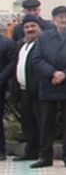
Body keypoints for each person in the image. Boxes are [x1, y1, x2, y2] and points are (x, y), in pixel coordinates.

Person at [31, 5, 66, 168]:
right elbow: (37, 59)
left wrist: (65, 74)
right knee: (46, 123)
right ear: (54, 19)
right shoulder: (44, 37)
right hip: (49, 85)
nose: (64, 20)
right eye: (60, 17)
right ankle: (45, 156)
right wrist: (53, 73)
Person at [13, 16, 45, 161]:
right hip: (23, 90)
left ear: (39, 28)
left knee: (41, 123)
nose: (30, 29)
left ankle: (44, 153)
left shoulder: (43, 44)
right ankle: (31, 151)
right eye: (27, 27)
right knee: (28, 123)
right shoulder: (21, 45)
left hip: (38, 91)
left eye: (33, 26)